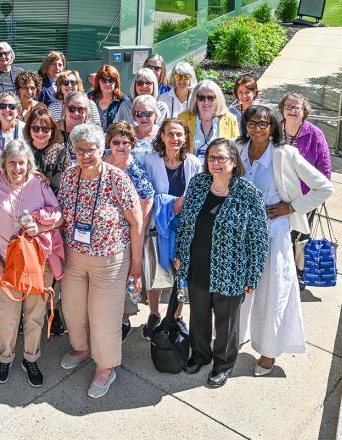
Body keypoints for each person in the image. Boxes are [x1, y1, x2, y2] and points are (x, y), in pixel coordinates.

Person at [236, 106, 334, 376]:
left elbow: (325, 186)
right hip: (241, 232)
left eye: (263, 124)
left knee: (272, 291)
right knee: (239, 291)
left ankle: (269, 352)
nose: (257, 128)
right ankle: (235, 339)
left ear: (273, 127)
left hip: (273, 233)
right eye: (252, 123)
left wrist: (292, 206)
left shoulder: (285, 154)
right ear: (245, 125)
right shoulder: (238, 149)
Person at [57, 123, 143, 398]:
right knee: (72, 308)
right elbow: (61, 214)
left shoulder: (117, 178)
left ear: (100, 149)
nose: (84, 155)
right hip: (75, 256)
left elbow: (137, 222)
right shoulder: (70, 175)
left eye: (90, 150)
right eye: (79, 149)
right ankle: (82, 348)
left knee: (104, 316)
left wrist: (137, 264)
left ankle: (105, 367)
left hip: (110, 260)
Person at [175, 138, 269, 387]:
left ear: (233, 162)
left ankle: (223, 364)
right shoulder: (198, 183)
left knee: (227, 323)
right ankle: (200, 354)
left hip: (231, 270)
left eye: (221, 158)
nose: (215, 163)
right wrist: (180, 254)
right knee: (199, 316)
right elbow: (185, 223)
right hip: (197, 264)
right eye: (211, 157)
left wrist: (253, 275)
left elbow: (258, 239)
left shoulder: (248, 193)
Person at [0, 139, 63, 386]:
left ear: (28, 163)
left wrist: (39, 226)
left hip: (37, 262)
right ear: (4, 163)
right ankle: (4, 358)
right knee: (7, 315)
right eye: (12, 162)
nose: (17, 168)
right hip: (6, 263)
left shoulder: (38, 183)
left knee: (35, 314)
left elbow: (59, 215)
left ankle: (30, 357)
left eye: (21, 163)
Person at [140, 118, 202, 340]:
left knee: (182, 274)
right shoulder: (150, 160)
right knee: (155, 273)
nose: (175, 139)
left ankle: (176, 315)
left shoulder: (193, 163)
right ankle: (154, 314)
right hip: (159, 226)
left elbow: (199, 192)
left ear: (185, 137)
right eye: (170, 134)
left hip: (185, 229)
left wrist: (185, 200)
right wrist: (169, 202)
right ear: (162, 136)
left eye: (179, 134)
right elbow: (145, 192)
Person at [104, 121, 155, 340]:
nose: (121, 147)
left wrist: (136, 252)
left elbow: (143, 214)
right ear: (109, 143)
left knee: (125, 279)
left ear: (132, 145)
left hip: (126, 236)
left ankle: (123, 320)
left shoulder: (136, 172)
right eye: (116, 142)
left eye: (126, 142)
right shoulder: (100, 161)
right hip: (100, 236)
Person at [279, 93, 332, 192]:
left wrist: (320, 192)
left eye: (297, 107)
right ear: (282, 109)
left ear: (304, 111)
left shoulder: (315, 134)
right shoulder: (273, 129)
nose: (292, 110)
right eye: (288, 106)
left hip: (303, 193)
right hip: (276, 191)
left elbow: (325, 167)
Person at [178, 80, 239, 159]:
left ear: (217, 99)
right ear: (195, 99)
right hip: (191, 169)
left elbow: (235, 151)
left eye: (210, 98)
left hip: (220, 169)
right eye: (201, 98)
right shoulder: (183, 118)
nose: (206, 102)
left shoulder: (230, 119)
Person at [24, 104, 70, 195]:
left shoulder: (61, 152)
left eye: (45, 129)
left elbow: (69, 184)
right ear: (29, 129)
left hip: (54, 204)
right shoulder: (22, 151)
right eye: (35, 128)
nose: (40, 133)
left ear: (52, 130)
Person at [88, 65, 125, 133]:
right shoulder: (89, 97)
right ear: (98, 81)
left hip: (113, 141)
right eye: (103, 80)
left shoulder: (123, 101)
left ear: (116, 82)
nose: (107, 84)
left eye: (111, 80)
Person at [130, 95, 160, 164]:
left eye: (147, 113)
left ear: (155, 114)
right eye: (139, 114)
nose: (143, 118)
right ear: (134, 116)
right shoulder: (128, 134)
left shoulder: (163, 134)